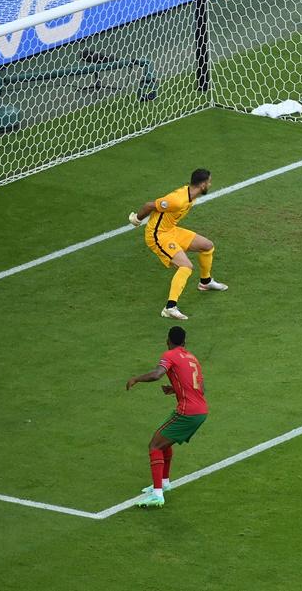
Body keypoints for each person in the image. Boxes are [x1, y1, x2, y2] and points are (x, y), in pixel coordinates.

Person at [129, 168, 228, 320]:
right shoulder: (177, 200)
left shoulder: (190, 195)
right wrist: (137, 219)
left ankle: (205, 282)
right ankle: (170, 307)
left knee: (207, 246)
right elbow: (149, 205)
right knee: (186, 267)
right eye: (209, 182)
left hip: (171, 230)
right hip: (158, 235)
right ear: (202, 185)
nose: (210, 184)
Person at [126, 326, 208, 508]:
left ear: (168, 340)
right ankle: (164, 482)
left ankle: (157, 495)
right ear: (184, 342)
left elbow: (157, 374)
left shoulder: (170, 355)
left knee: (154, 445)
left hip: (187, 412)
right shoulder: (193, 358)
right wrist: (175, 389)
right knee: (164, 443)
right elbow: (201, 388)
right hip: (201, 411)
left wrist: (136, 379)